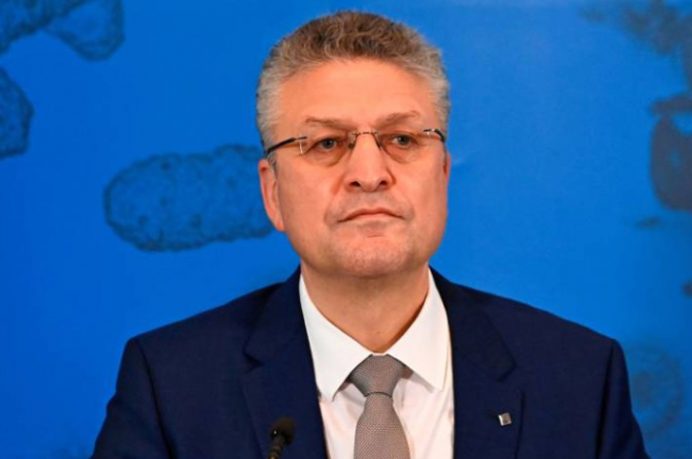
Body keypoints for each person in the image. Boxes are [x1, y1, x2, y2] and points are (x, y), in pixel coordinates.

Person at [92, 11, 649, 459]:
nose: (369, 172)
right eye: (326, 143)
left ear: (443, 175)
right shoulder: (173, 388)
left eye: (402, 139)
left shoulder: (577, 378)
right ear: (273, 192)